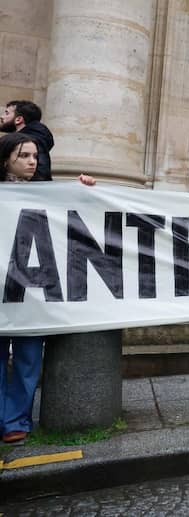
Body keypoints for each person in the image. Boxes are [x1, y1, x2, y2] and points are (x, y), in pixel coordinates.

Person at [1, 133, 94, 444]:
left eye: (34, 156)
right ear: (5, 160)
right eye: (23, 155)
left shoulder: (47, 193)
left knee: (28, 360)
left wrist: (83, 190)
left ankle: (16, 420)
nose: (32, 162)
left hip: (32, 293)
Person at [0, 100, 54, 181]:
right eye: (24, 155)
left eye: (7, 113)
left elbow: (40, 177)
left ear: (18, 119)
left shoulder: (29, 141)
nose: (2, 116)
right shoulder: (39, 138)